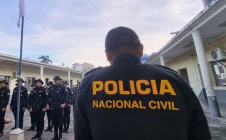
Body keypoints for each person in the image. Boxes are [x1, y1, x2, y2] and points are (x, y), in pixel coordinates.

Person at [74, 26, 211, 140]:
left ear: (108, 54)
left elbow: (82, 135)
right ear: (140, 49)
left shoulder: (90, 83)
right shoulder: (173, 80)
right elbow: (199, 133)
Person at [47, 76, 68, 140]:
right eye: (55, 80)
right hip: (53, 107)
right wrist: (47, 104)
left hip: (60, 106)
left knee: (60, 122)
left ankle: (60, 136)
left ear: (59, 80)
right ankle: (55, 135)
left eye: (57, 80)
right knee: (54, 121)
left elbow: (66, 96)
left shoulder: (62, 87)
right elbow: (48, 97)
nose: (56, 81)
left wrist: (64, 103)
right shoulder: (51, 88)